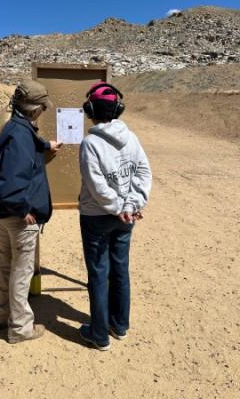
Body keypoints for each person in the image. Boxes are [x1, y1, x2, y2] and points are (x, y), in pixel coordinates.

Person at [0, 80, 62, 344]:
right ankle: (20, 328)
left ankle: (0, 315)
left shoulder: (10, 123)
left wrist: (44, 145)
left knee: (5, 263)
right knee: (21, 270)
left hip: (2, 214)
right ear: (35, 108)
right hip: (18, 215)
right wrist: (24, 209)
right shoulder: (19, 134)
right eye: (42, 108)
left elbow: (20, 148)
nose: (43, 112)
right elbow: (11, 180)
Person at [78, 82, 152, 351]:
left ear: (90, 110)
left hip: (97, 216)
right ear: (117, 109)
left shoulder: (90, 143)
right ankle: (119, 325)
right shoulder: (131, 137)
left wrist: (120, 205)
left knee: (99, 274)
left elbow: (97, 186)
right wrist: (131, 204)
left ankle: (99, 335)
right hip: (125, 216)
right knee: (119, 269)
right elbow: (143, 173)